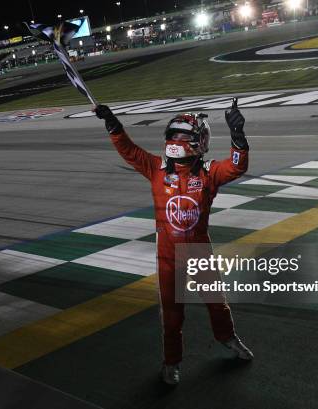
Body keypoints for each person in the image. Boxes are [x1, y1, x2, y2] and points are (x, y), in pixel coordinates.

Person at [94, 99, 253, 386]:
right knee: (172, 314)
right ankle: (171, 362)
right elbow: (128, 151)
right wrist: (112, 123)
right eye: (180, 135)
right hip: (168, 256)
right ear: (195, 142)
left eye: (188, 135)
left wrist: (238, 136)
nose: (183, 140)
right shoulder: (157, 169)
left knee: (217, 302)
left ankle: (228, 338)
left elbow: (237, 167)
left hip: (198, 251)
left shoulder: (207, 172)